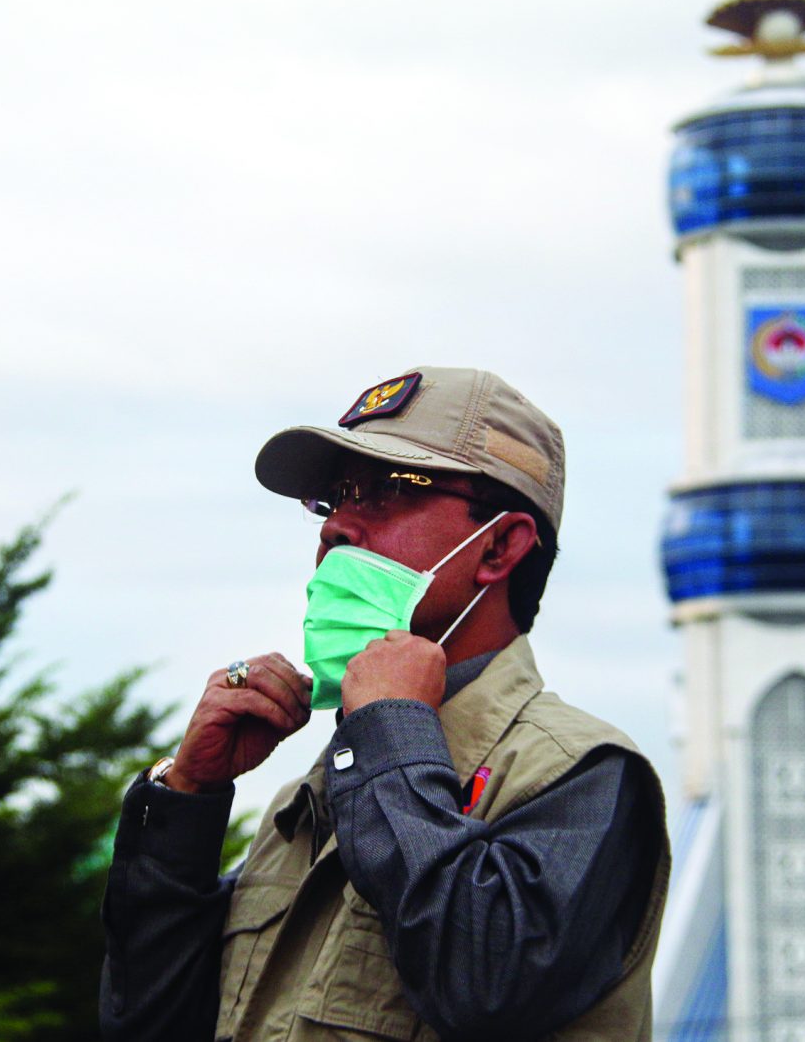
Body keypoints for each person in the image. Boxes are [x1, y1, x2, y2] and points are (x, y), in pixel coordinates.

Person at [99, 366, 670, 1041]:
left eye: (391, 489)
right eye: (333, 499)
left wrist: (390, 729)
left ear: (498, 545)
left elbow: (482, 985)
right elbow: (146, 1026)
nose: (337, 526)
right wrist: (187, 798)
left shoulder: (580, 774)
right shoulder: (306, 801)